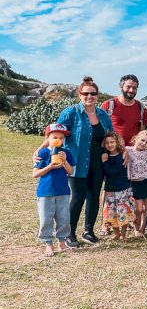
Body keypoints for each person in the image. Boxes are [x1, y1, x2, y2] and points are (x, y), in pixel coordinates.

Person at [35, 76, 114, 247]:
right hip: (77, 162)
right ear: (80, 95)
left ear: (97, 95)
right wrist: (40, 151)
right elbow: (54, 134)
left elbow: (110, 136)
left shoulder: (103, 115)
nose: (89, 96)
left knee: (94, 197)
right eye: (85, 93)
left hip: (98, 162)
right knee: (77, 198)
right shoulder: (70, 113)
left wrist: (110, 152)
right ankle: (69, 234)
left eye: (93, 93)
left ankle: (88, 231)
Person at [33, 124, 75, 257]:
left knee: (63, 218)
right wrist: (50, 166)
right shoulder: (43, 153)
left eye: (61, 138)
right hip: (45, 192)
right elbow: (35, 174)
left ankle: (62, 243)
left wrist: (64, 161)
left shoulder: (66, 152)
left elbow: (70, 171)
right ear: (48, 138)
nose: (58, 140)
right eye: (54, 137)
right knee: (46, 219)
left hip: (63, 191)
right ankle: (48, 244)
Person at [100, 131, 135, 242]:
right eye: (107, 143)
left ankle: (123, 235)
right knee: (112, 214)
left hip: (122, 189)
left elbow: (112, 172)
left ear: (117, 142)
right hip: (110, 190)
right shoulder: (106, 155)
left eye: (112, 142)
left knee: (122, 213)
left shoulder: (121, 157)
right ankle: (116, 233)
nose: (110, 145)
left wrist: (105, 162)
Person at [125, 130, 147, 237]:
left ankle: (142, 228)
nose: (144, 143)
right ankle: (136, 227)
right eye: (142, 140)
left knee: (146, 207)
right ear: (136, 138)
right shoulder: (128, 150)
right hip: (135, 183)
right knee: (138, 209)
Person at [101, 74, 147, 147]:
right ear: (121, 87)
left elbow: (142, 132)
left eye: (134, 88)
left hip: (133, 152)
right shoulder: (108, 105)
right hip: (113, 151)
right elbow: (100, 129)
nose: (131, 90)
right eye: (128, 87)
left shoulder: (141, 108)